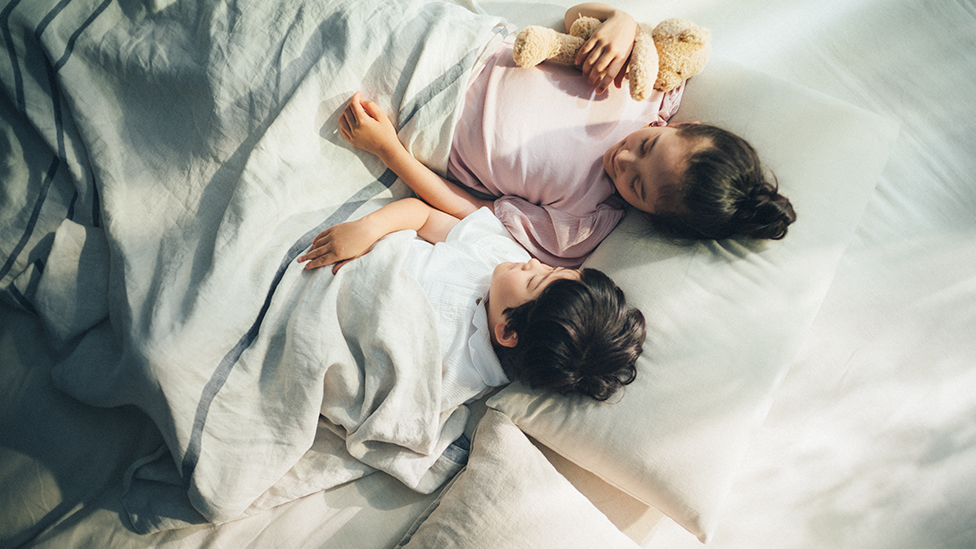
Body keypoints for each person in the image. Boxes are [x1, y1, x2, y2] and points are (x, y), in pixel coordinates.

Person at [333, 3, 796, 267]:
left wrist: (390, 150)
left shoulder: (580, 224)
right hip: (456, 43)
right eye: (648, 145)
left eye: (637, 187)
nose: (623, 160)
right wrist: (623, 23)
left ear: (652, 215)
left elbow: (468, 211)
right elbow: (574, 20)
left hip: (416, 120)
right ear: (686, 126)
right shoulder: (650, 82)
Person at [297, 197, 645, 403]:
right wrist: (369, 229)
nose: (533, 261)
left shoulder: (456, 375)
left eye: (534, 278)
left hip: (317, 301)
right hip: (355, 240)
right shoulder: (499, 255)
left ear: (508, 330)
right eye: (551, 267)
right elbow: (424, 215)